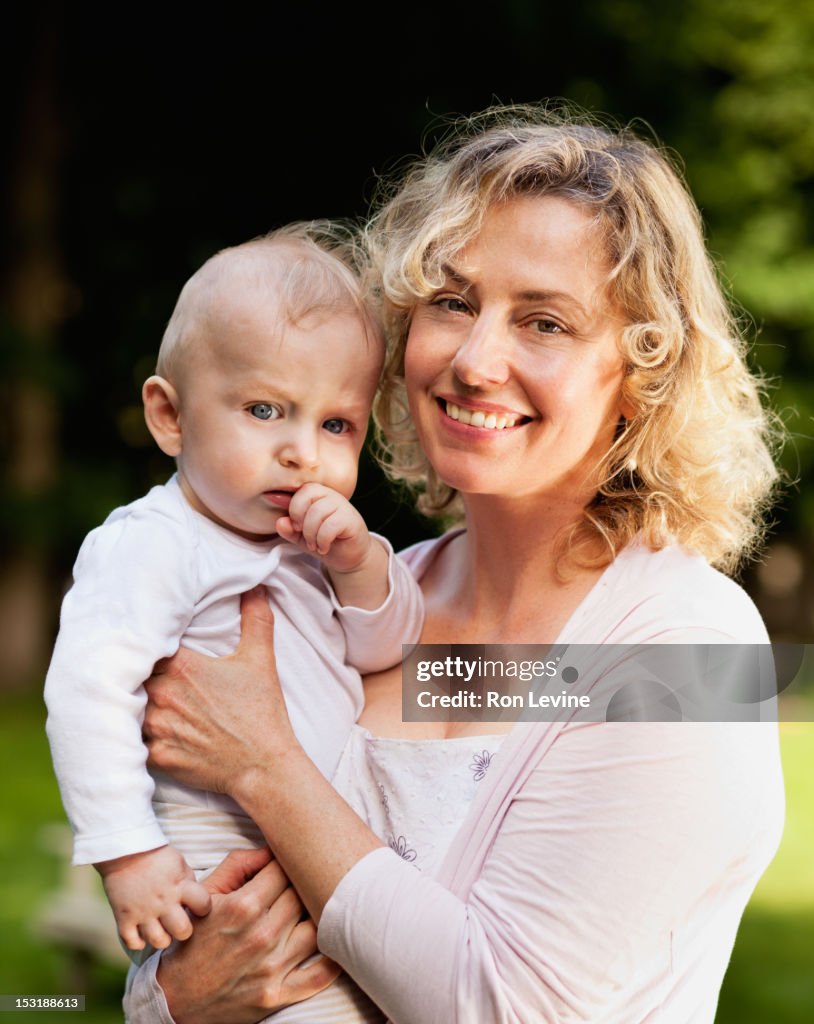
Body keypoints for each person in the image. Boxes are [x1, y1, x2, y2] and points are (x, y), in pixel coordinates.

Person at [127, 106, 785, 1023]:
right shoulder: (358, 601)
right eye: (452, 301)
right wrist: (172, 999)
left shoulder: (682, 651)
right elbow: (207, 913)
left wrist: (267, 767)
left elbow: (503, 1004)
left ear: (642, 373)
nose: (477, 359)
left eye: (545, 322)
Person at [44, 223, 424, 958]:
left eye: (336, 424)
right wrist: (129, 853)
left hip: (326, 855)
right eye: (263, 410)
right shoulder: (154, 545)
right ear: (170, 416)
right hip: (216, 865)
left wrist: (356, 563)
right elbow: (89, 692)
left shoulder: (317, 547)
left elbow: (389, 651)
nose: (302, 452)